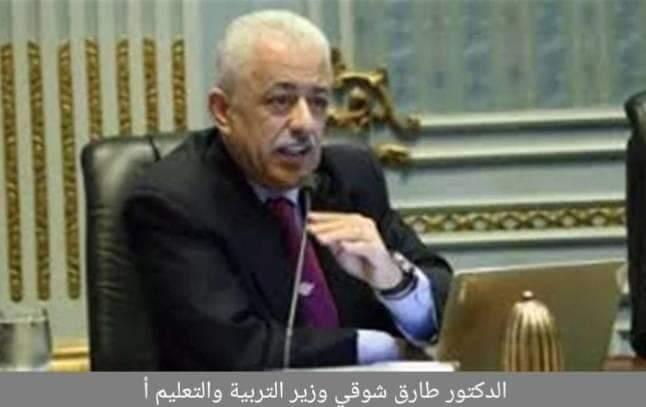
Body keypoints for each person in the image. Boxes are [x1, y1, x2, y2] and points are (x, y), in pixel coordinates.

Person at [124, 9, 452, 370]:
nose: (305, 124)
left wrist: (394, 281)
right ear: (222, 111)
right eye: (281, 101)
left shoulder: (350, 176)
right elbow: (235, 351)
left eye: (318, 101)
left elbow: (447, 299)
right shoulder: (175, 202)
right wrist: (381, 347)